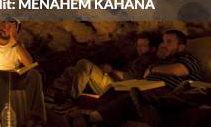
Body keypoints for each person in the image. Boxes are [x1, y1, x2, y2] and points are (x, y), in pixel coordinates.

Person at [70, 29, 205, 127]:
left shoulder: (188, 58)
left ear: (181, 47)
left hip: (165, 91)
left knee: (134, 95)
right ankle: (103, 119)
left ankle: (92, 118)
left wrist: (152, 69)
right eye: (163, 41)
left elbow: (177, 70)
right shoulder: (163, 60)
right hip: (147, 87)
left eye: (169, 42)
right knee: (112, 91)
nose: (164, 45)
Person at [54, 31, 160, 106]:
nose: (139, 48)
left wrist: (111, 70)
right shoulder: (138, 58)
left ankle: (70, 99)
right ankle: (56, 92)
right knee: (73, 69)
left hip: (116, 88)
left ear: (153, 49)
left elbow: (130, 78)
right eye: (138, 45)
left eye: (143, 46)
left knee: (84, 64)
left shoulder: (148, 60)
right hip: (114, 82)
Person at [0, 19, 46, 127]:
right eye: (4, 24)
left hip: (13, 78)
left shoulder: (17, 46)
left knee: (34, 74)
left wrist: (15, 42)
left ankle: (35, 119)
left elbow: (29, 65)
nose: (4, 27)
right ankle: (6, 119)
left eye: (9, 27)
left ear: (16, 31)